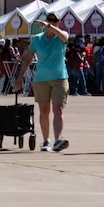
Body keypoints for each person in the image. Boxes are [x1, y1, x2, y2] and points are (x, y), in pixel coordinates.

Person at [29, 13, 72, 152]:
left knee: (58, 109)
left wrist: (49, 26)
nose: (52, 23)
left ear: (59, 23)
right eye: (50, 20)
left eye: (55, 21)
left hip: (59, 78)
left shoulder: (61, 36)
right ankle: (46, 140)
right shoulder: (38, 39)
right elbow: (27, 58)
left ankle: (58, 139)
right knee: (44, 110)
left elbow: (64, 37)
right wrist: (18, 78)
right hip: (41, 79)